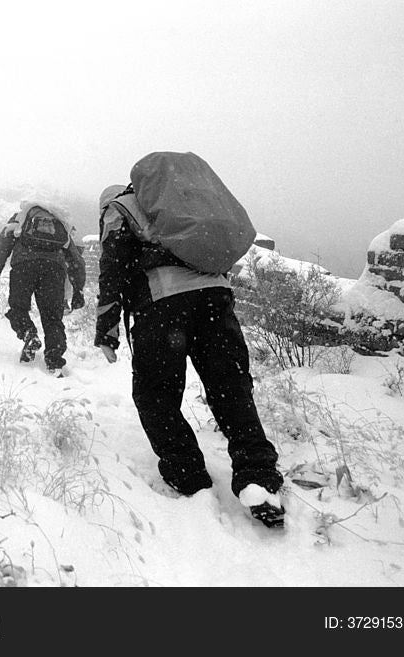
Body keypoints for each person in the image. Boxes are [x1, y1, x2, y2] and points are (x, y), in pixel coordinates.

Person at [94, 183, 286, 527]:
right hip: (215, 297)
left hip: (164, 305)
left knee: (156, 395)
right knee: (231, 391)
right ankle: (259, 478)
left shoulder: (119, 209)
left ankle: (189, 477)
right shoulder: (178, 206)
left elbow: (112, 270)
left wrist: (106, 330)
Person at [0, 201, 86, 376]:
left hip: (23, 267)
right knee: (53, 317)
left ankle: (28, 334)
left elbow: (2, 245)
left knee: (18, 309)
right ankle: (54, 361)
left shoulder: (21, 218)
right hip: (54, 270)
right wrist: (78, 289)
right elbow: (75, 258)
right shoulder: (59, 223)